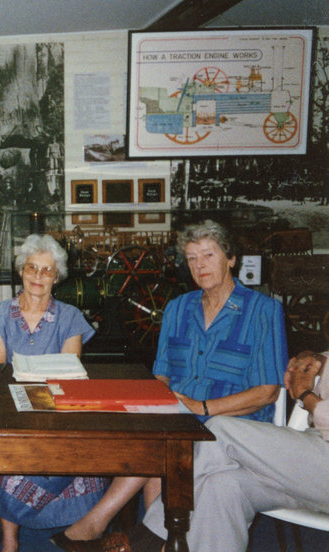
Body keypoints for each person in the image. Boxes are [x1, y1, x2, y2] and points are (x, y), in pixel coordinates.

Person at [51, 219, 288, 548]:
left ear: (231, 258)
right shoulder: (177, 308)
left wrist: (202, 407)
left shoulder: (263, 310)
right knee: (155, 441)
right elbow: (161, 375)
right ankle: (156, 542)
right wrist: (153, 403)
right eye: (192, 258)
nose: (199, 266)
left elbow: (267, 392)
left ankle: (106, 525)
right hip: (179, 417)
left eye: (208, 255)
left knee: (165, 452)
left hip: (235, 427)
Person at [58, 349, 329, 552]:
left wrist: (308, 396)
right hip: (313, 463)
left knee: (219, 431)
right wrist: (317, 359)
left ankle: (151, 536)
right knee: (222, 486)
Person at [0, 234, 107, 552]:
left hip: (56, 410)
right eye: (32, 268)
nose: (38, 277)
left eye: (47, 270)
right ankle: (8, 539)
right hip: (11, 405)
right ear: (21, 271)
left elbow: (68, 375)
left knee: (9, 451)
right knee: (8, 438)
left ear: (57, 277)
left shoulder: (70, 317)